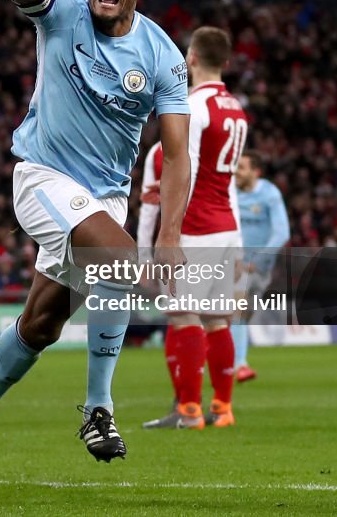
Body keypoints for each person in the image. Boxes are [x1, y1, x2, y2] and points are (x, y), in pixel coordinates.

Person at [0, 0, 191, 485]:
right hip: (44, 179)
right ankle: (99, 408)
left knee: (41, 324)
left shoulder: (163, 55)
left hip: (106, 198)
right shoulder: (61, 15)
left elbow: (178, 152)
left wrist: (169, 236)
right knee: (118, 261)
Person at [141, 26, 248, 431]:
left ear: (191, 59)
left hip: (196, 227)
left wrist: (168, 233)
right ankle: (222, 407)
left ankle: (188, 410)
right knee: (218, 319)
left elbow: (184, 168)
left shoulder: (194, 106)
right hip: (225, 225)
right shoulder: (235, 107)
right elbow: (230, 179)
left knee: (184, 316)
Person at [232, 150, 290, 382]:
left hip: (260, 269)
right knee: (236, 309)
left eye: (242, 167)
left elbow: (281, 232)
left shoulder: (269, 194)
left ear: (256, 172)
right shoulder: (229, 192)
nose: (236, 171)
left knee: (243, 315)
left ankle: (228, 355)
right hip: (234, 264)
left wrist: (258, 261)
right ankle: (239, 365)